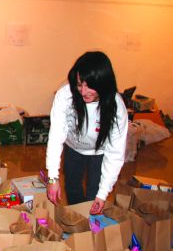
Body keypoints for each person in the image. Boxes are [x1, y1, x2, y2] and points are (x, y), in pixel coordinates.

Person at [46, 51, 128, 214]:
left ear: (103, 83)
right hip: (73, 148)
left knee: (94, 197)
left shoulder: (116, 106)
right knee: (73, 190)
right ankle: (78, 228)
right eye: (79, 84)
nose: (83, 91)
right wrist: (52, 178)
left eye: (89, 85)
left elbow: (115, 153)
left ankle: (90, 231)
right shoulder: (65, 96)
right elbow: (56, 137)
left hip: (99, 152)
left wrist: (103, 194)